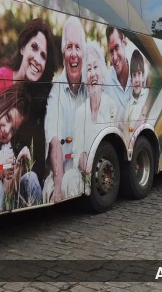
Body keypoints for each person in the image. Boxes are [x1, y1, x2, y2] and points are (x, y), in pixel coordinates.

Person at [43, 16, 87, 202]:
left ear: (84, 52)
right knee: (53, 189)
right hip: (61, 174)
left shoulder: (93, 88)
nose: (74, 53)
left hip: (85, 171)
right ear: (63, 54)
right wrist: (59, 187)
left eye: (78, 47)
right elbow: (55, 140)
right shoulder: (55, 92)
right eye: (69, 47)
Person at [0, 84, 42, 213]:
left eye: (13, 130)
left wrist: (19, 166)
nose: (6, 130)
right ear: (0, 104)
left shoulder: (6, 147)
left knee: (32, 177)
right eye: (7, 118)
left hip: (1, 202)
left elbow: (9, 191)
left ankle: (38, 221)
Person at [73, 42, 118, 187]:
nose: (92, 74)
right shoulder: (80, 113)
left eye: (96, 67)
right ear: (85, 77)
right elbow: (77, 151)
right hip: (83, 174)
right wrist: (85, 163)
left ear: (103, 72)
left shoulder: (112, 107)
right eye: (88, 69)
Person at [0, 18, 57, 98]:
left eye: (43, 56)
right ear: (23, 48)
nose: (37, 60)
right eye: (34, 47)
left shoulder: (40, 99)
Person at [105, 26, 133, 113]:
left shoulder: (138, 72)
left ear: (123, 42)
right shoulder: (106, 81)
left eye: (117, 48)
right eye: (111, 51)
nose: (114, 57)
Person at [125, 49, 149, 133]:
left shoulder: (149, 95)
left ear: (143, 76)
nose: (137, 80)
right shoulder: (128, 106)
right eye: (134, 75)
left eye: (139, 74)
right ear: (131, 79)